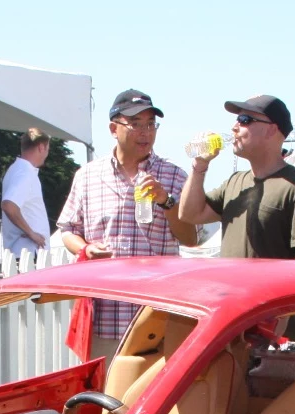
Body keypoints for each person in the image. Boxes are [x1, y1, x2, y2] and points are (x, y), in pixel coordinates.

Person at [57, 89, 199, 358]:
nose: (145, 133)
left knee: (156, 398)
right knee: (105, 397)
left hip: (157, 318)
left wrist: (166, 201)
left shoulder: (174, 176)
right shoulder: (88, 176)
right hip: (105, 317)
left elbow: (191, 238)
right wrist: (85, 249)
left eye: (150, 124)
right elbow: (67, 229)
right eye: (135, 124)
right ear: (114, 128)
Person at [178, 95, 295, 262]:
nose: (234, 127)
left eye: (244, 120)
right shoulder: (234, 182)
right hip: (230, 288)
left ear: (272, 130)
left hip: (269, 289)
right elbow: (190, 214)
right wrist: (199, 165)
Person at [1, 128, 52, 257]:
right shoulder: (25, 172)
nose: (47, 154)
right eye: (47, 149)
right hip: (29, 252)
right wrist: (31, 233)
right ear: (41, 147)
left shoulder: (16, 170)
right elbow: (8, 205)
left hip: (22, 251)